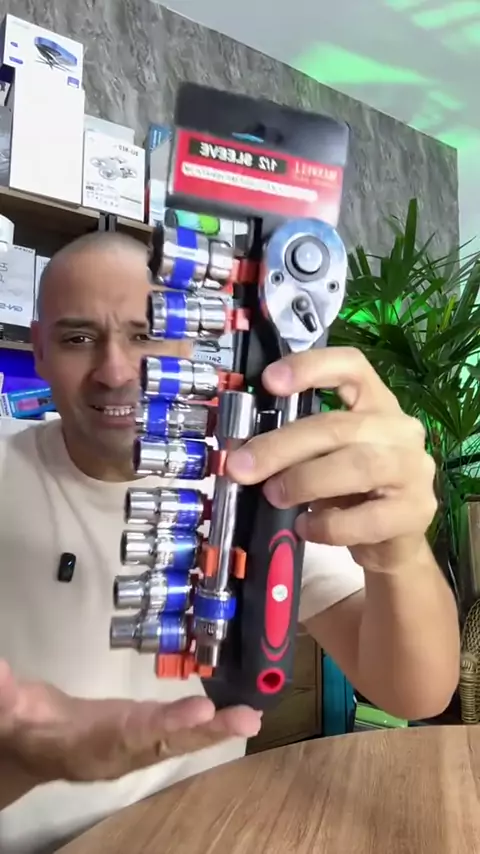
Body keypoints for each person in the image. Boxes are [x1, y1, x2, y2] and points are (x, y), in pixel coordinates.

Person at [0, 231, 459, 853]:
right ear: (38, 348)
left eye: (144, 334)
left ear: (188, 340)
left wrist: (398, 553)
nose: (115, 371)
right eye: (78, 338)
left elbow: (416, 691)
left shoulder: (256, 480)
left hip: (198, 838)